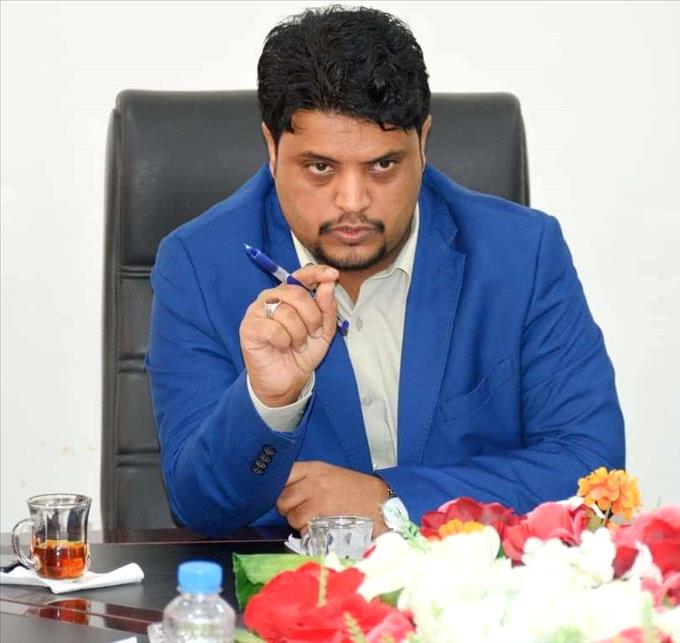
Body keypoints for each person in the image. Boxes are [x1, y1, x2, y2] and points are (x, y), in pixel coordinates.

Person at [146, 6, 625, 537]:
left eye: (383, 165)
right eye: (320, 167)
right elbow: (200, 506)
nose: (353, 202)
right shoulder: (199, 266)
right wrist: (269, 402)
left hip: (474, 583)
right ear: (272, 148)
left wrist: (393, 499)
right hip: (291, 584)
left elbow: (592, 472)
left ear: (423, 141)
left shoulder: (522, 254)